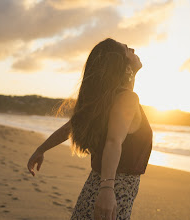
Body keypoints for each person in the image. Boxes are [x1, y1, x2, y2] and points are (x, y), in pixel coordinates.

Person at [27, 38, 153, 220]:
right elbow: (113, 141)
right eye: (127, 50)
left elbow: (72, 126)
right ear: (121, 63)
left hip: (99, 184)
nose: (132, 48)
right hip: (114, 188)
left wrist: (41, 149)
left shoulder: (110, 98)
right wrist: (108, 190)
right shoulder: (126, 98)